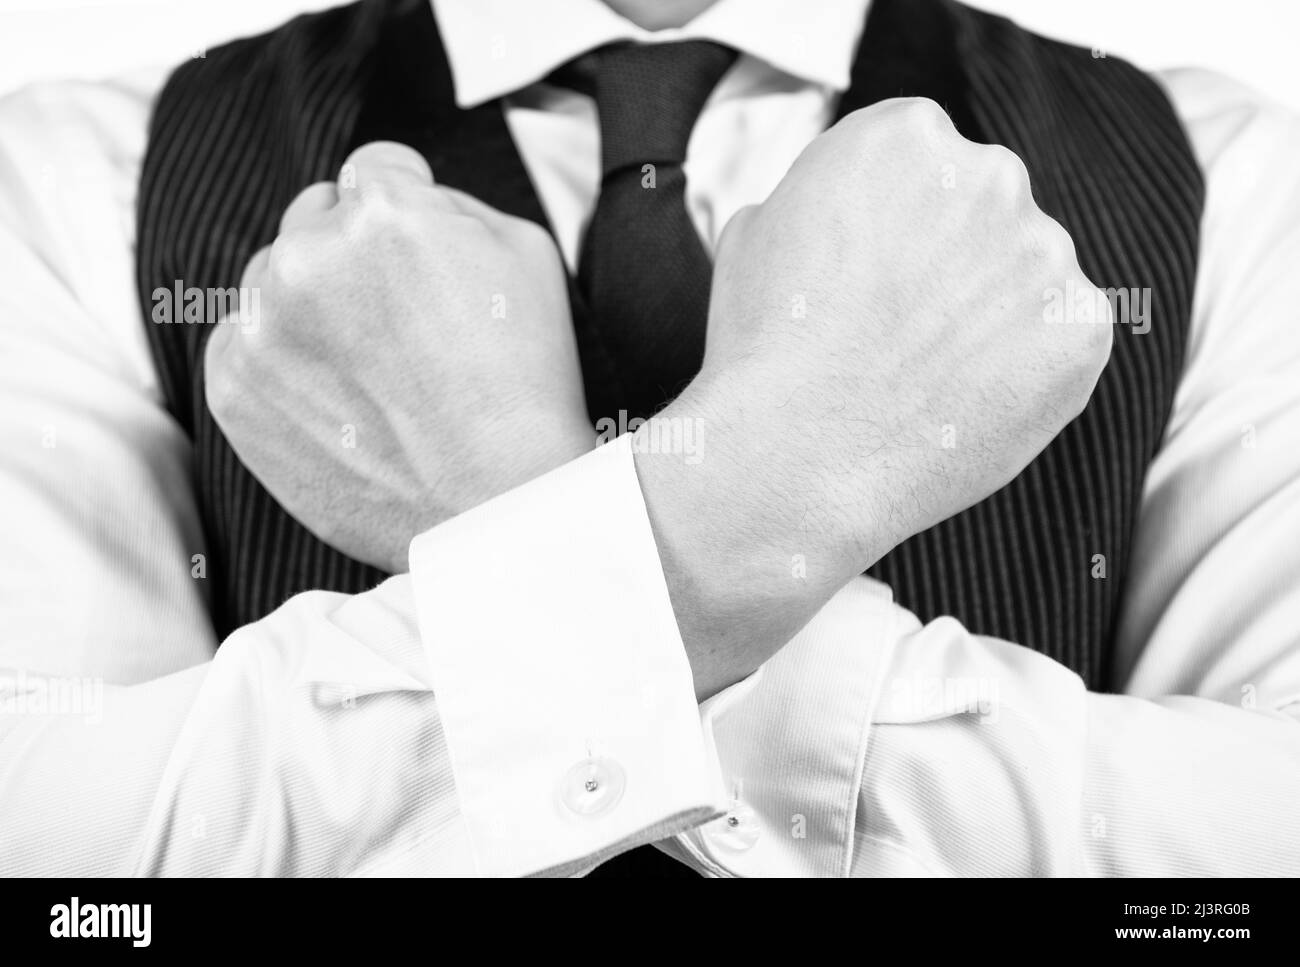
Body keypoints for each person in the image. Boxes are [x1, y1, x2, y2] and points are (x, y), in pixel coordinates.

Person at [1, 0, 1298, 877]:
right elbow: (57, 857)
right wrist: (737, 533)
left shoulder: (1234, 178)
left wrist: (524, 530)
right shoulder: (72, 184)